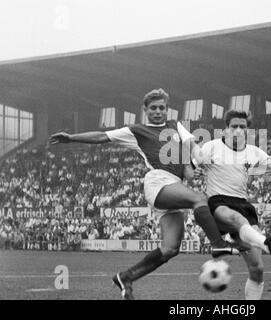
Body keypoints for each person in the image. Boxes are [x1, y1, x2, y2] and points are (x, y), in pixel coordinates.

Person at [49, 88, 242, 300]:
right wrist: (71, 138)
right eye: (153, 108)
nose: (158, 111)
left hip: (174, 185)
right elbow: (102, 136)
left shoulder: (175, 126)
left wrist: (198, 161)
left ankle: (126, 277)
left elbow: (192, 146)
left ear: (167, 109)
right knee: (200, 199)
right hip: (158, 182)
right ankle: (218, 245)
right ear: (145, 110)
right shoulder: (136, 130)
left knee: (170, 249)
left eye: (162, 108)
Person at [190, 109, 271, 299]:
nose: (238, 130)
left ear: (248, 130)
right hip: (217, 202)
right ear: (225, 129)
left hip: (243, 204)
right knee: (237, 219)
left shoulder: (255, 153)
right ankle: (267, 244)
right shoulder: (211, 147)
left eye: (242, 127)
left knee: (257, 268)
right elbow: (188, 169)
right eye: (234, 127)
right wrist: (194, 172)